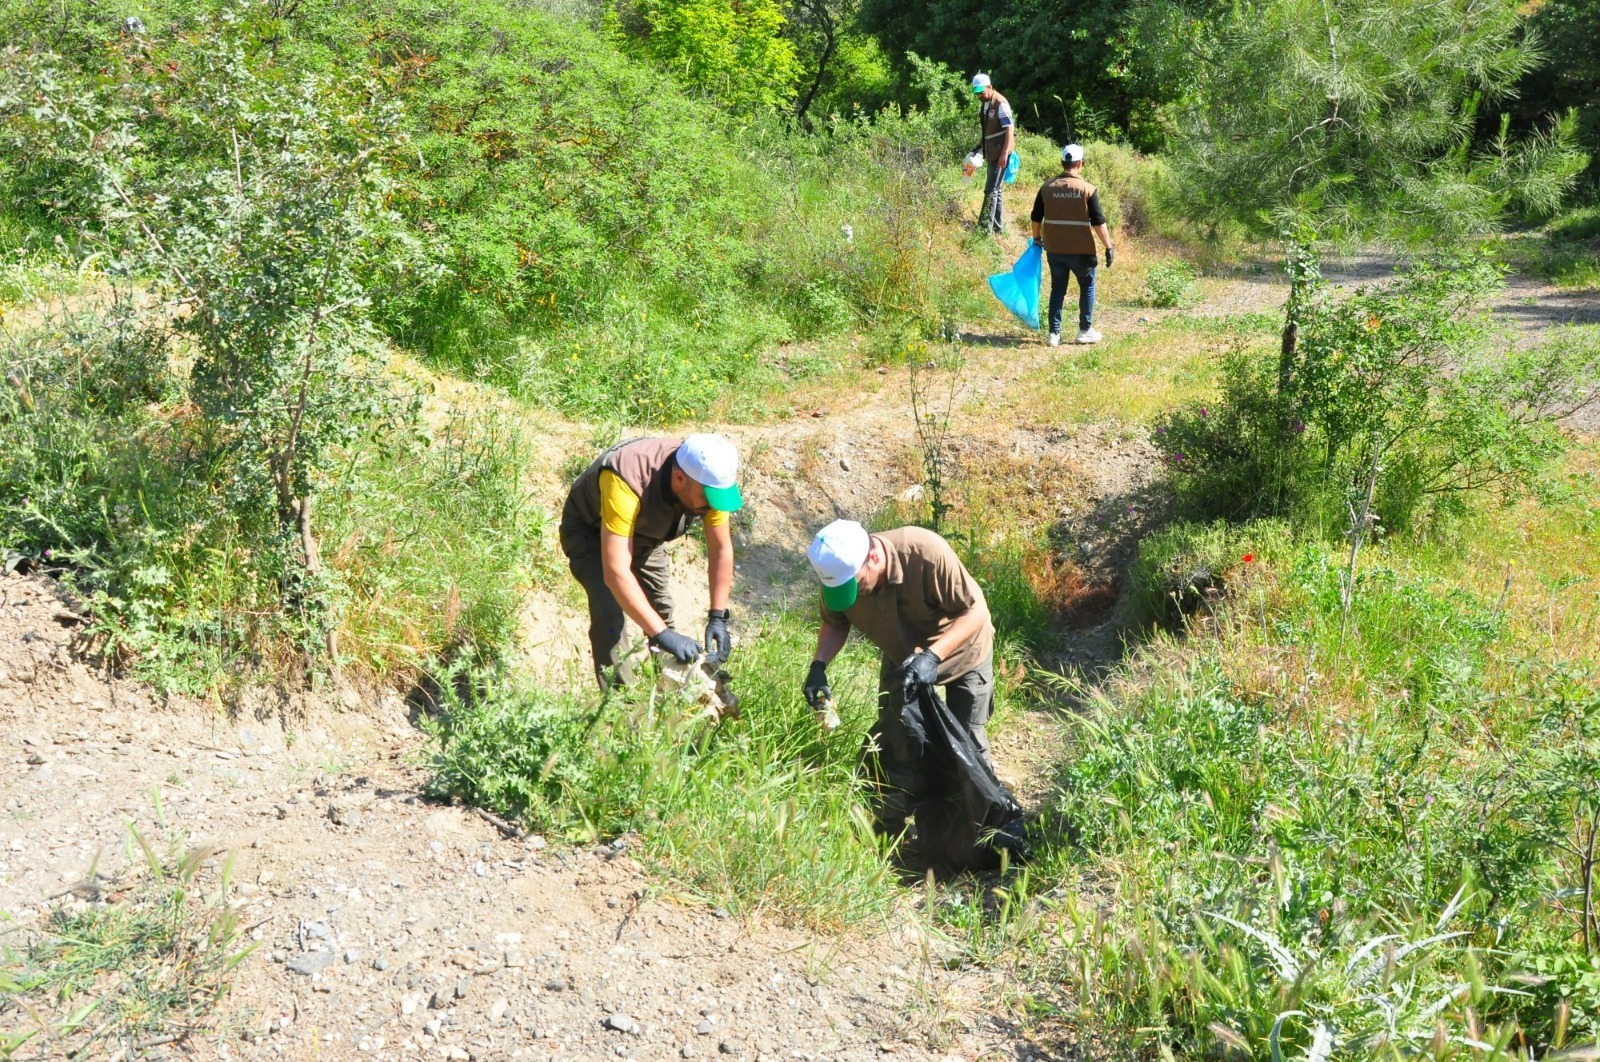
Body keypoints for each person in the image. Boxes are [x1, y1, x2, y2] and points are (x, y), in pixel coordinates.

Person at [802, 520, 997, 832]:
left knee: (968, 746)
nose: (852, 596)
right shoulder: (839, 576)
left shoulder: (925, 553)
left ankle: (979, 835)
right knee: (895, 741)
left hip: (963, 651)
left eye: (856, 585)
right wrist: (818, 666)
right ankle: (886, 830)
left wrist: (933, 656)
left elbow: (976, 612)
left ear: (874, 558)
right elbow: (836, 622)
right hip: (903, 656)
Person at [560, 434, 742, 688]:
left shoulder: (705, 481)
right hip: (591, 530)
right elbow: (616, 573)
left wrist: (718, 617)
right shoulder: (627, 477)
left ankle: (673, 692)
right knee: (610, 613)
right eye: (708, 500)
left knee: (660, 610)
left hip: (645, 535)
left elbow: (721, 549)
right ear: (679, 479)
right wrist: (663, 635)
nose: (713, 508)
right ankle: (620, 710)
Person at [1031, 143, 1115, 346]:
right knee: (1087, 287)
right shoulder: (1088, 189)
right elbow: (1098, 222)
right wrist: (1108, 246)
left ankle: (1054, 334)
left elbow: (1036, 217)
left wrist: (1037, 238)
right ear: (1080, 164)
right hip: (1081, 251)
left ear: (1062, 163)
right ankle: (1085, 330)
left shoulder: (1046, 187)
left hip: (1055, 250)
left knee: (1057, 289)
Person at [971, 73, 1014, 235]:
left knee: (991, 189)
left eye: (981, 92)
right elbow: (987, 131)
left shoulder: (1000, 103)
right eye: (976, 92)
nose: (979, 95)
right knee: (996, 189)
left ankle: (984, 228)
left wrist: (1004, 153)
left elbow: (1010, 129)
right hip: (992, 152)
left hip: (1001, 153)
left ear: (989, 87)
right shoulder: (986, 103)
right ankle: (997, 227)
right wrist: (977, 147)